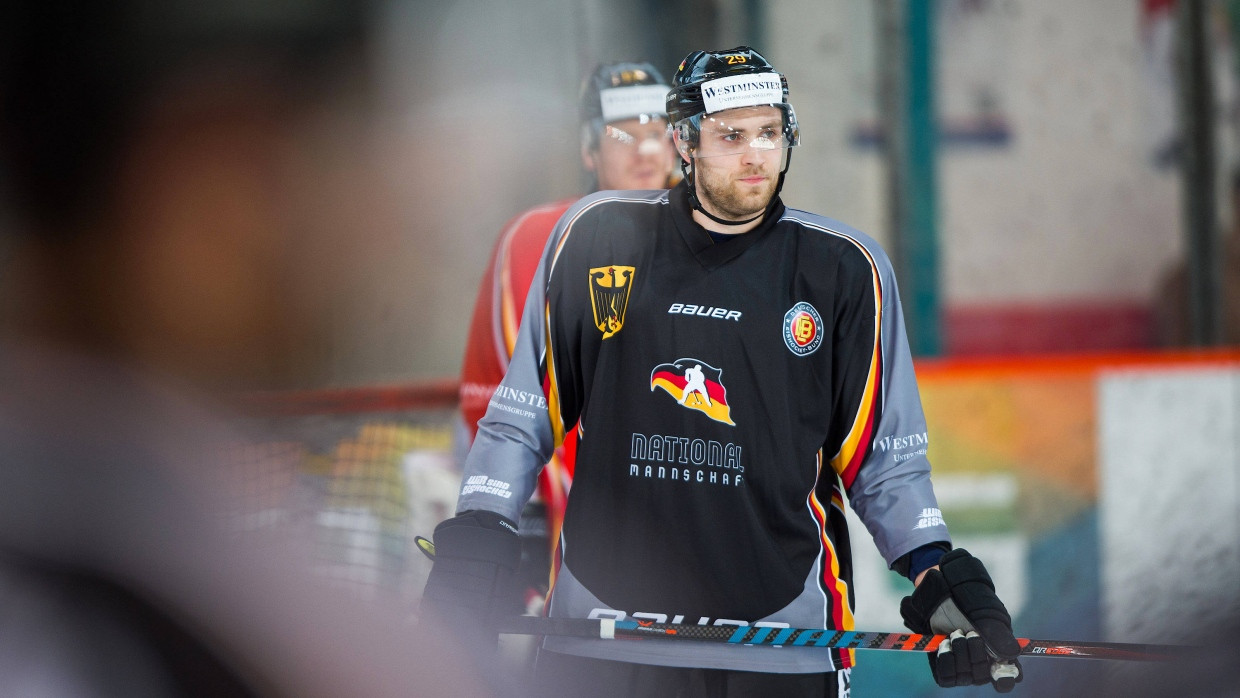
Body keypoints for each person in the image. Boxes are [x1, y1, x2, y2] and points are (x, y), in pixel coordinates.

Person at [424, 47, 1021, 696]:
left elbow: (884, 461)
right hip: (601, 633)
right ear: (685, 141)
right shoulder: (594, 238)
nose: (755, 156)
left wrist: (933, 566)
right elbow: (521, 419)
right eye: (731, 136)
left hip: (782, 642)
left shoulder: (846, 271)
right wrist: (483, 522)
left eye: (769, 133)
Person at [0, 2, 492, 695]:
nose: (377, 224)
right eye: (328, 146)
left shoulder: (140, 519)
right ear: (202, 179)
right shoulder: (84, 607)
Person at [457, 61, 678, 612]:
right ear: (589, 151)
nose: (646, 150)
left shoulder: (735, 243)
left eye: (659, 132)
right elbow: (495, 388)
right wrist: (520, 520)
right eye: (623, 134)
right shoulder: (535, 240)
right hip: (575, 551)